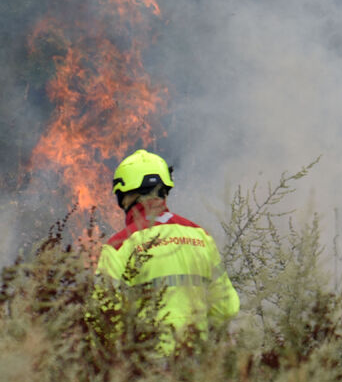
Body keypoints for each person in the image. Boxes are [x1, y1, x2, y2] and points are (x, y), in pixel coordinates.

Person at [95, 149, 239, 355]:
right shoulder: (201, 237)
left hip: (145, 367)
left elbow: (102, 313)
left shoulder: (120, 245)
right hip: (195, 362)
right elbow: (227, 307)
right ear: (164, 191)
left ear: (126, 195)